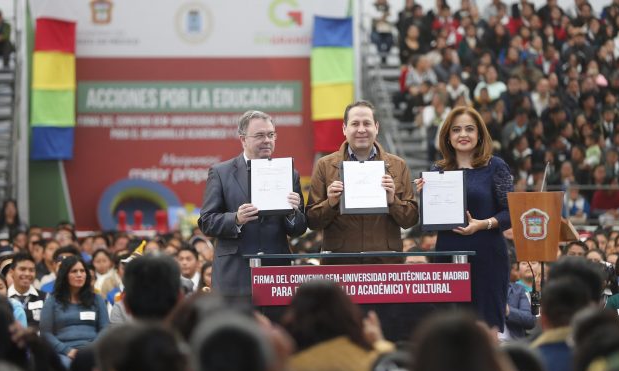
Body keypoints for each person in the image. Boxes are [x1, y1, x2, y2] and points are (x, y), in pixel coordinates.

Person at [416, 106, 514, 330]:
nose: (463, 135)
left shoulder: (495, 166)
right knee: (450, 326)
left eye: (470, 129)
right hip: (448, 253)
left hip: (487, 254)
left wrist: (483, 224)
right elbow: (429, 223)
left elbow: (511, 213)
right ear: (448, 137)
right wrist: (426, 197)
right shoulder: (437, 169)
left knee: (485, 325)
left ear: (479, 134)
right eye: (456, 130)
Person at [198, 110, 306, 299]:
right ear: (243, 139)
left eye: (271, 135)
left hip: (276, 270)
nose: (267, 140)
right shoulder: (221, 172)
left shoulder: (289, 173)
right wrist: (236, 219)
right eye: (260, 135)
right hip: (234, 270)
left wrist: (292, 213)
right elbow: (206, 221)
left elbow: (299, 229)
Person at [306, 100, 419, 264]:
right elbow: (311, 221)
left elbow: (411, 220)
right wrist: (330, 203)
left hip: (385, 262)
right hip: (341, 263)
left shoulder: (397, 165)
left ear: (377, 127)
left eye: (367, 123)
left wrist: (392, 201)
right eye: (355, 124)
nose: (361, 129)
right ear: (344, 129)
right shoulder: (324, 165)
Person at [281, 281, 393, 371]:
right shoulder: (381, 357)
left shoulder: (287, 370)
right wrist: (378, 341)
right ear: (348, 312)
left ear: (294, 317)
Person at [39, 256, 109, 366]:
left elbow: (105, 329)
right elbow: (45, 333)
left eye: (82, 271)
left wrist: (91, 349)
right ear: (65, 275)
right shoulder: (52, 301)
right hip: (64, 352)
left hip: (93, 350)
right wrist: (67, 351)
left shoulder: (97, 299)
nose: (79, 275)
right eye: (74, 271)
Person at [7, 253, 45, 328]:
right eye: (22, 269)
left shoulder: (45, 298)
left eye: (31, 270)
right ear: (12, 272)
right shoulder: (4, 298)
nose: (27, 274)